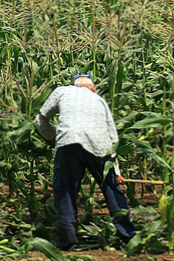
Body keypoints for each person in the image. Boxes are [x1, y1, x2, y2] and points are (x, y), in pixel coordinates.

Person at [34, 72, 136, 251]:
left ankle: (68, 244)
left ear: (74, 86)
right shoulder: (100, 102)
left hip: (69, 141)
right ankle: (128, 237)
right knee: (111, 188)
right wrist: (116, 173)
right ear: (94, 89)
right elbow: (113, 138)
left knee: (65, 191)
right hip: (100, 145)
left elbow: (41, 119)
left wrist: (51, 136)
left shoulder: (62, 91)